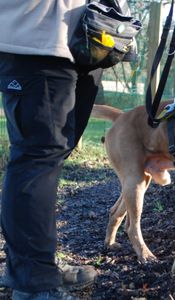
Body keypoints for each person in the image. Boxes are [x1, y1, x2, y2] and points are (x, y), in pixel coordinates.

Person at [0, 1, 104, 299]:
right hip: (35, 34)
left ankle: (36, 265)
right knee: (38, 157)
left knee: (51, 158)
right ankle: (33, 282)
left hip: (90, 37)